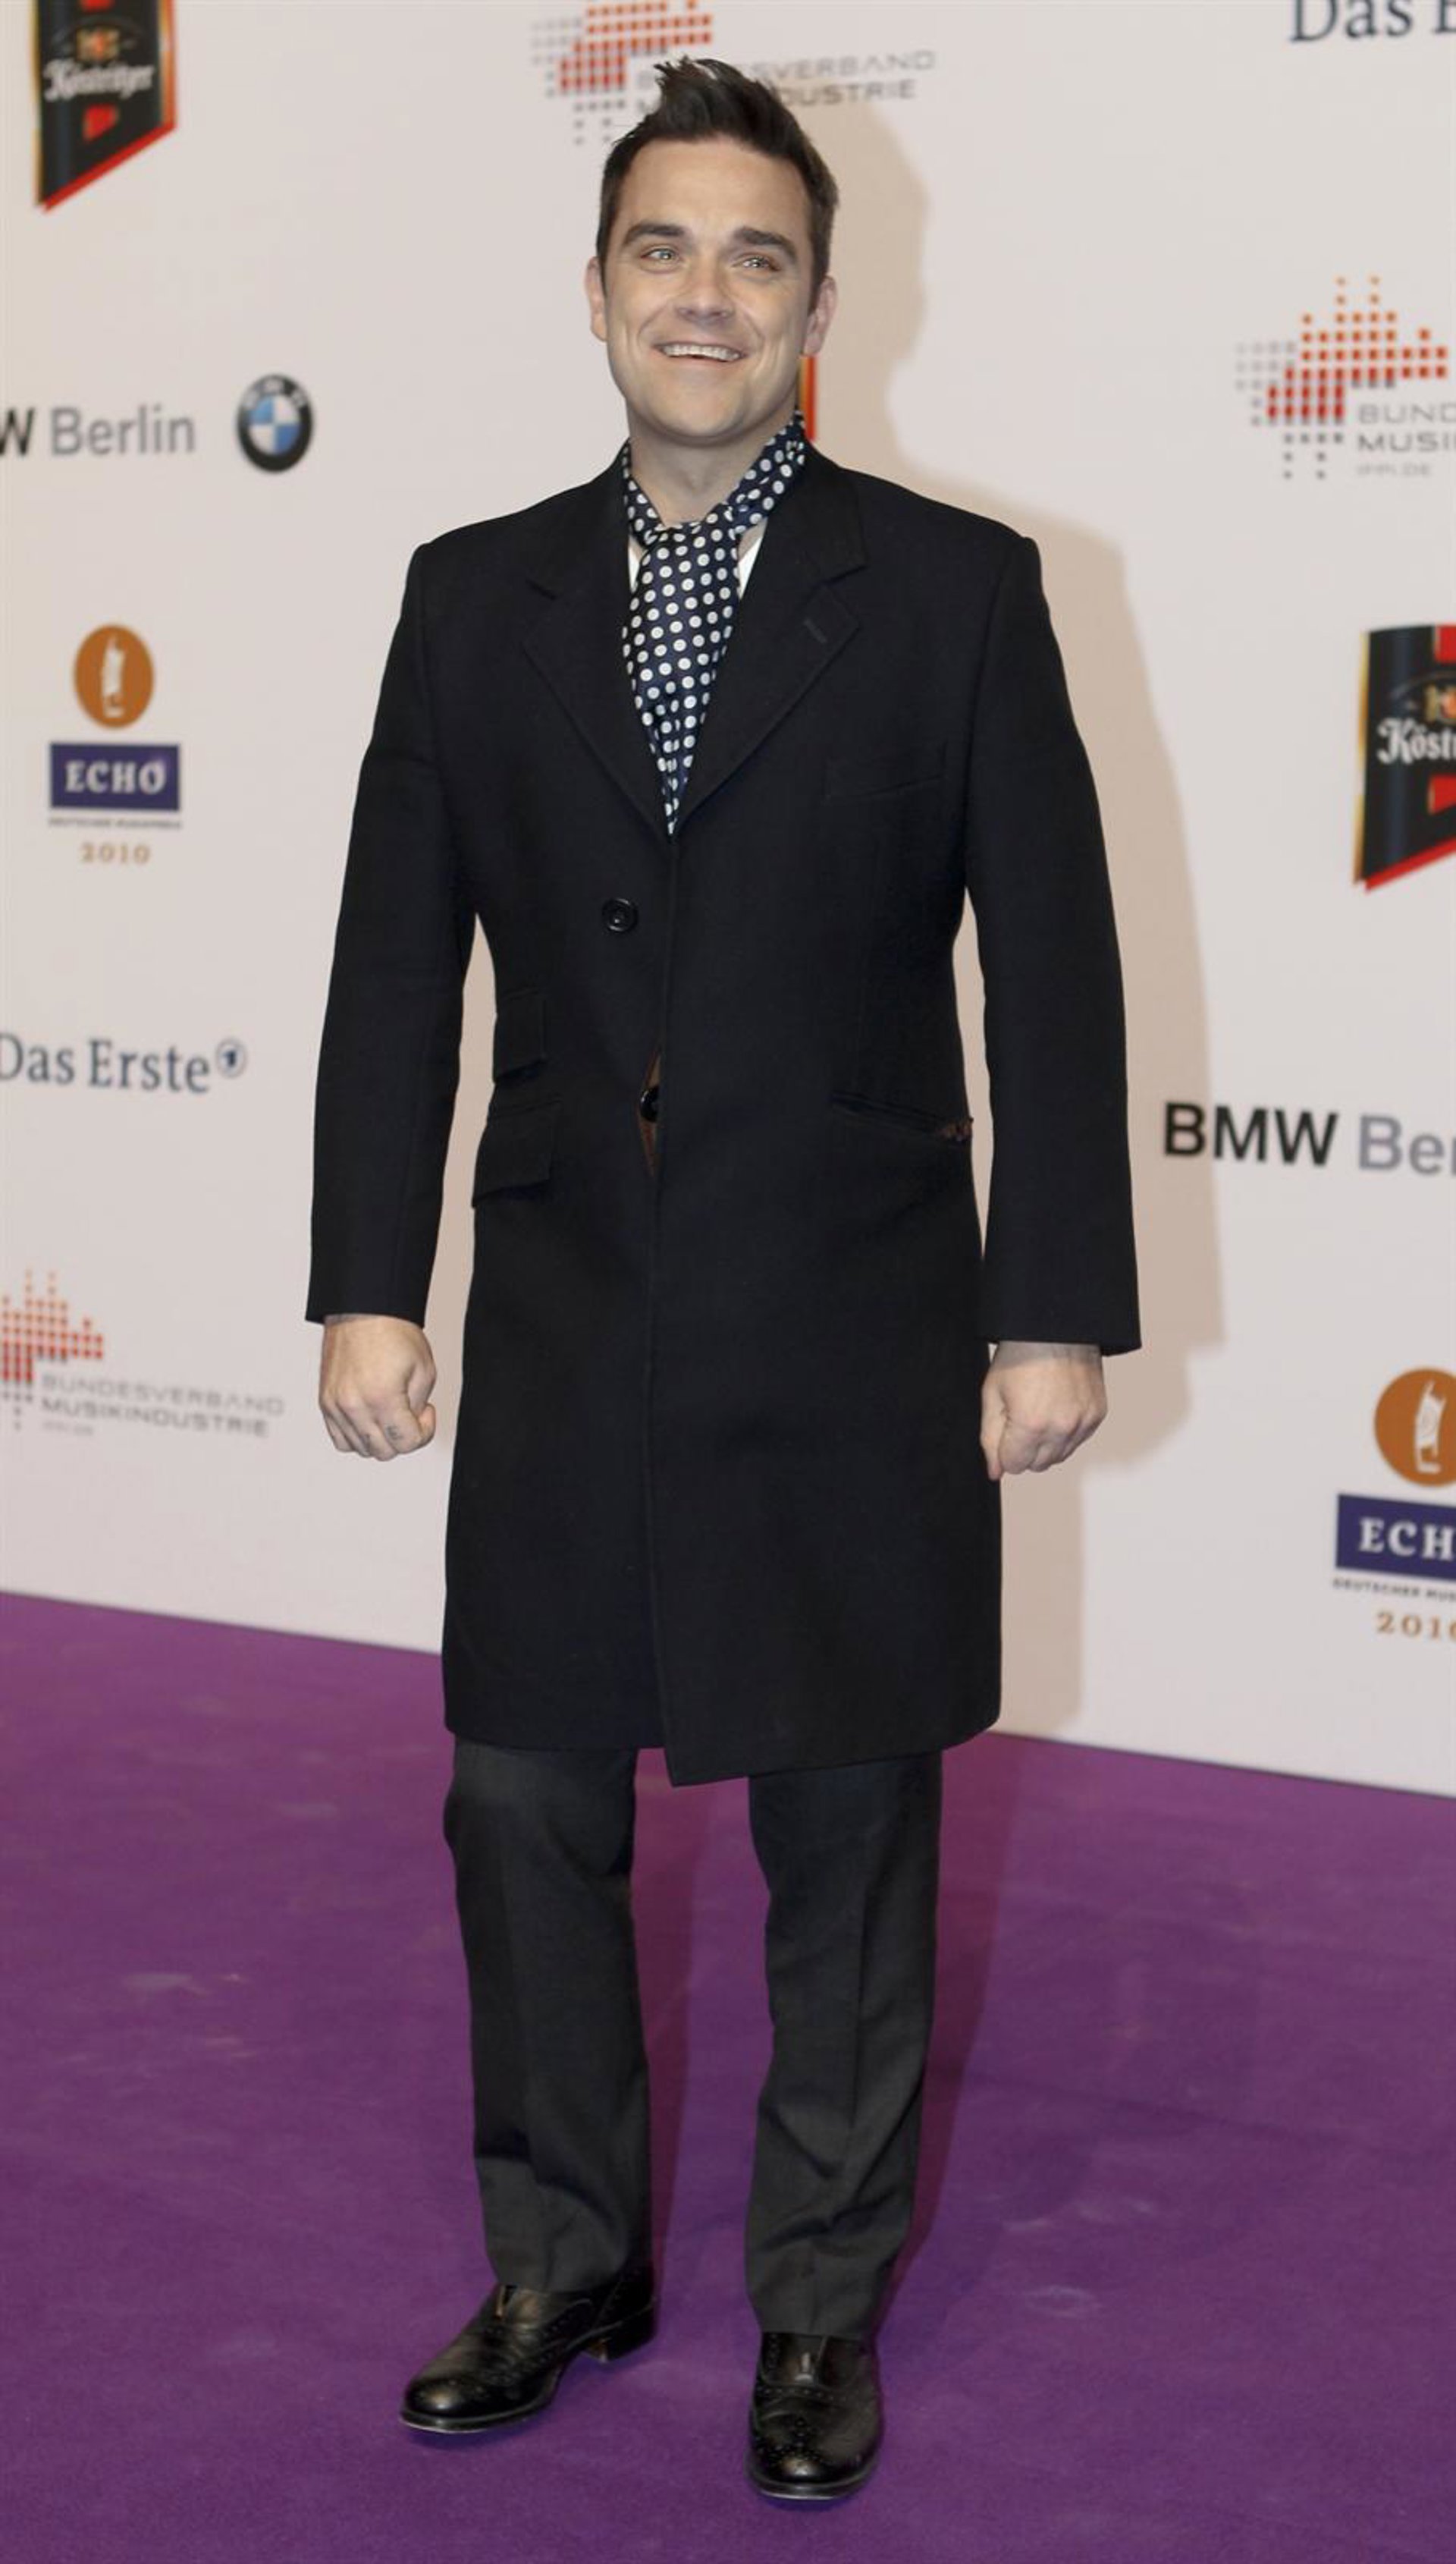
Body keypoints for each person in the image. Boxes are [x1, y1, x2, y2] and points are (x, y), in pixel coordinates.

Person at [306, 55, 1140, 2506]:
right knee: (521, 1796)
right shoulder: (468, 595)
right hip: (571, 1308)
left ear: (819, 305)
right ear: (593, 291)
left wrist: (1050, 1303)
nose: (705, 293)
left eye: (754, 256)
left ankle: (818, 2298)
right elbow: (395, 966)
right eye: (661, 249)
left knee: (851, 1822)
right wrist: (367, 1276)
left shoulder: (960, 591)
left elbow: (1054, 972)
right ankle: (563, 2256)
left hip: (856, 1315)